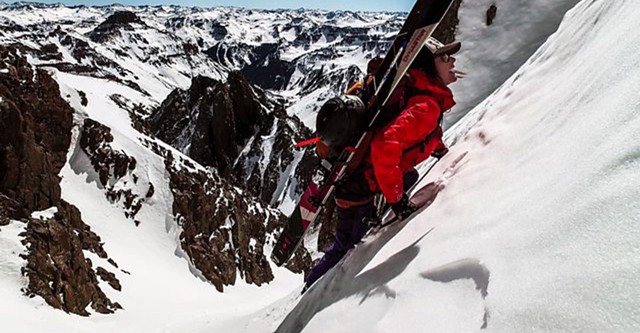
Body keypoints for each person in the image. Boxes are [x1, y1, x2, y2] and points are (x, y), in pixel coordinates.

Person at [304, 38, 462, 292]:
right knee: (344, 247)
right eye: (444, 58)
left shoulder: (420, 92)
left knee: (409, 177)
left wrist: (439, 147)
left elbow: (422, 132)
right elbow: (386, 144)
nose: (452, 61)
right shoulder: (427, 105)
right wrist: (396, 200)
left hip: (364, 176)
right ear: (429, 67)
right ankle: (310, 289)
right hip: (358, 188)